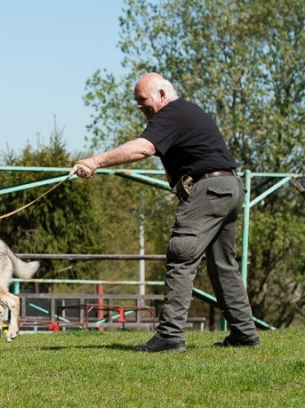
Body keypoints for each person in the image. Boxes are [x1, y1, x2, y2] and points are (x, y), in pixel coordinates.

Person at [69, 72, 260, 352]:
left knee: (181, 255)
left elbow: (143, 148)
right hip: (230, 187)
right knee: (223, 265)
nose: (138, 106)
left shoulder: (170, 113)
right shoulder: (185, 113)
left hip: (211, 188)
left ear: (161, 95)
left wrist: (95, 161)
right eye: (135, 101)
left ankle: (170, 335)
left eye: (142, 99)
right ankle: (244, 333)